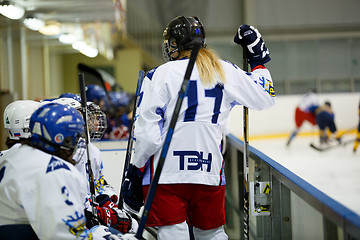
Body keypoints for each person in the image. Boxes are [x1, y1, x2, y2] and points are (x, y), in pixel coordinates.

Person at [121, 16, 275, 239]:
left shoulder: (160, 74)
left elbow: (148, 137)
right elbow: (265, 97)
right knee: (212, 234)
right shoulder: (224, 71)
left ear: (175, 44)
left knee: (172, 232)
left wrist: (135, 172)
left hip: (167, 176)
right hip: (208, 172)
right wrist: (259, 61)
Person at [0, 103, 92, 239]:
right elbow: (65, 235)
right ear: (60, 138)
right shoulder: (53, 170)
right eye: (74, 138)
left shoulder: (16, 155)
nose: (76, 144)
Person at [52, 96, 138, 234]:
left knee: (134, 227)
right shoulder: (57, 155)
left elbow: (99, 185)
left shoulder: (90, 150)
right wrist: (97, 213)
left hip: (88, 210)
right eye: (78, 116)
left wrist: (109, 201)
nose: (83, 122)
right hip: (72, 218)